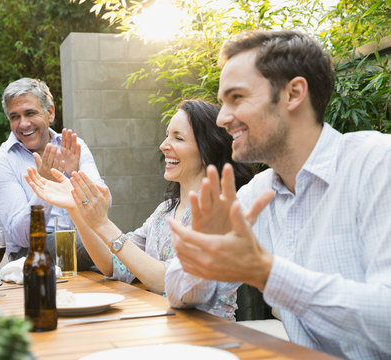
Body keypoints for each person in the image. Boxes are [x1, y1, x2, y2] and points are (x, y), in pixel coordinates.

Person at [165, 30, 391, 358]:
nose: (221, 118)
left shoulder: (377, 164)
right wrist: (203, 247)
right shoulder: (258, 192)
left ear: (293, 94)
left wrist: (265, 272)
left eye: (236, 98)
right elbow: (179, 293)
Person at [26, 100, 253, 320]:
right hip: (164, 327)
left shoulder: (221, 213)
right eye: (167, 135)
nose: (164, 145)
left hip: (209, 335)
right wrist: (76, 208)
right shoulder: (165, 211)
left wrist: (102, 223)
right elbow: (111, 264)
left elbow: (164, 281)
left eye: (178, 138)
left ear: (208, 150)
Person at [0, 77, 104, 268]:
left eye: (30, 113)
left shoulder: (74, 145)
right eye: (15, 117)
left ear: (50, 112)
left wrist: (75, 176)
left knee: (121, 255)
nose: (23, 124)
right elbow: (22, 237)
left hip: (82, 244)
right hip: (30, 253)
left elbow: (103, 204)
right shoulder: (0, 161)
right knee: (110, 246)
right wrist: (46, 187)